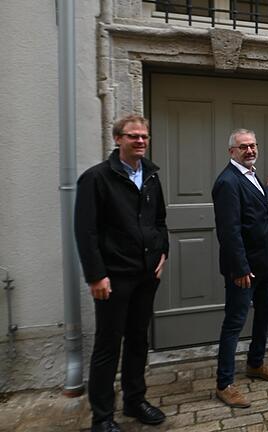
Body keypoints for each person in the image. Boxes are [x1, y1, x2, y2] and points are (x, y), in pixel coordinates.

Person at [75, 114, 168, 432]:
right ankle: (102, 417)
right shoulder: (97, 178)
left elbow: (159, 220)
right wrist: (95, 276)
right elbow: (85, 231)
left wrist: (162, 252)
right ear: (117, 139)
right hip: (113, 278)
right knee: (107, 345)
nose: (140, 141)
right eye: (133, 136)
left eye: (144, 136)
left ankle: (135, 400)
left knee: (138, 340)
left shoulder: (151, 175)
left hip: (146, 274)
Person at [212, 129, 268, 408]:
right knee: (234, 323)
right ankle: (224, 383)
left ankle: (255, 364)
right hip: (244, 270)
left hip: (265, 264)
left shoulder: (251, 174)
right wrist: (240, 268)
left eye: (253, 145)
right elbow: (229, 232)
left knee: (265, 314)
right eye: (243, 147)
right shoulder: (227, 182)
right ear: (232, 151)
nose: (250, 150)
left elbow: (255, 203)